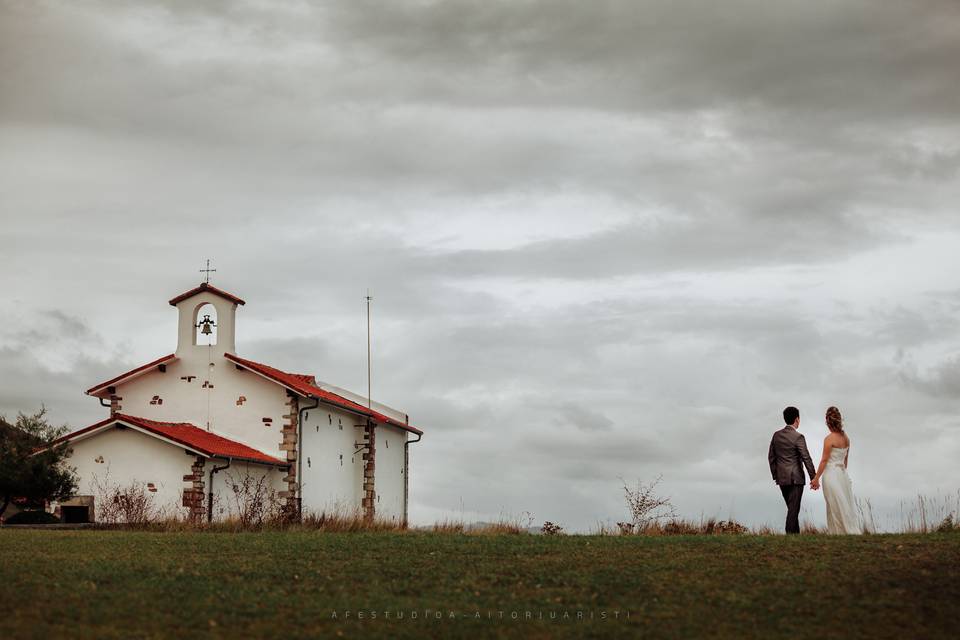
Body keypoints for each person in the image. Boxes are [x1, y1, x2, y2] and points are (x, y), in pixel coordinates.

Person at [810, 406, 862, 534]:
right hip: (842, 475)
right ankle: (839, 532)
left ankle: (839, 532)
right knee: (842, 504)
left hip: (831, 475)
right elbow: (845, 462)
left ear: (828, 422)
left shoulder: (829, 439)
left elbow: (824, 461)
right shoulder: (846, 439)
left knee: (834, 504)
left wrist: (816, 478)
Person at [768, 406, 816, 534]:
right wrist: (814, 478)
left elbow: (771, 457)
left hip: (782, 479)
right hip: (796, 479)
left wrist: (776, 475)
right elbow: (806, 458)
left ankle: (796, 537)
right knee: (793, 511)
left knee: (792, 510)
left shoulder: (776, 436)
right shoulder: (798, 437)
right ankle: (789, 538)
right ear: (797, 419)